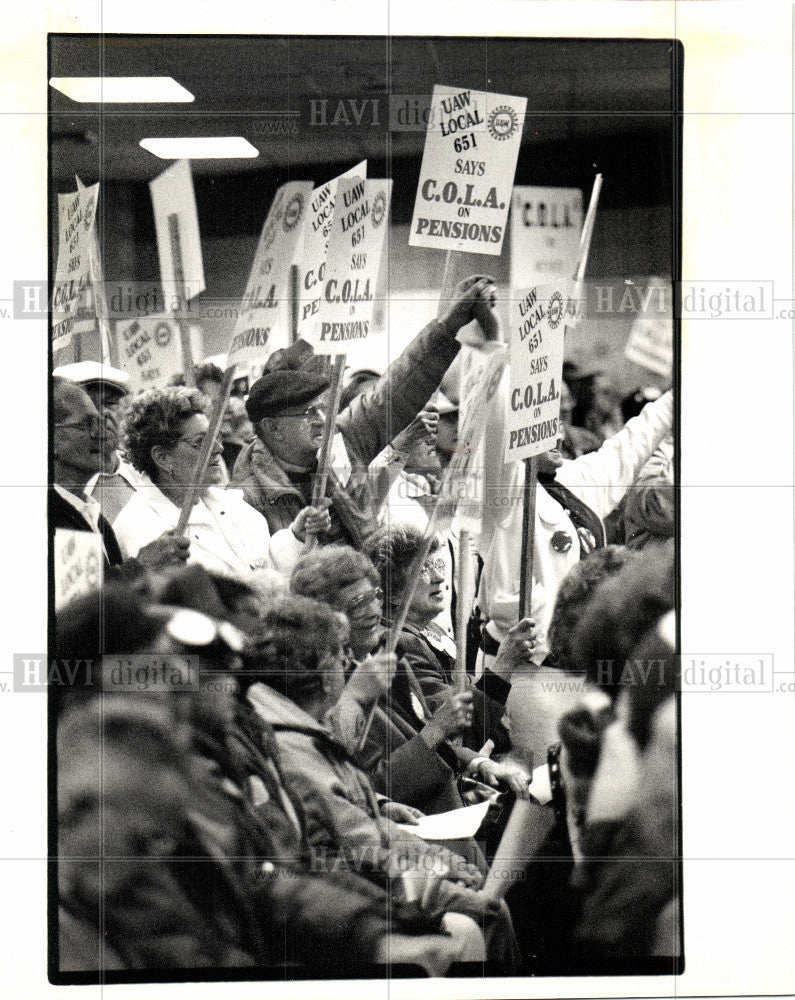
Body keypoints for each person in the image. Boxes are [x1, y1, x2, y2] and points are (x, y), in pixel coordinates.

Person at [242, 593, 519, 970]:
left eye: (377, 594)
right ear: (325, 672)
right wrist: (440, 881)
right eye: (340, 653)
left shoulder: (306, 725)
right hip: (360, 907)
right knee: (488, 914)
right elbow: (358, 847)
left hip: (393, 864)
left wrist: (433, 857)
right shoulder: (297, 745)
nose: (349, 662)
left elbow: (364, 817)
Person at [232, 275, 498, 549]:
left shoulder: (341, 442)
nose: (322, 420)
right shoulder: (244, 497)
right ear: (272, 427)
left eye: (323, 408)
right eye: (308, 412)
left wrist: (450, 323)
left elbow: (397, 389)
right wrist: (296, 540)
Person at [364, 523, 535, 786]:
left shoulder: (428, 631)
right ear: (393, 593)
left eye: (439, 566)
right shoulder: (399, 645)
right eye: (423, 569)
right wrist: (504, 664)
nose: (439, 579)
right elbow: (461, 730)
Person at [113, 386, 329, 580]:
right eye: (201, 442)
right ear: (162, 457)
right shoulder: (138, 527)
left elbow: (265, 568)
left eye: (215, 438)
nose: (219, 448)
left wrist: (296, 537)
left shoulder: (231, 503)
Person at [51, 377, 186, 569]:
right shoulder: (42, 519)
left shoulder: (94, 517)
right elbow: (82, 598)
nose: (102, 432)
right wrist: (141, 567)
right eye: (87, 424)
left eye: (101, 419)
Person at [53, 361, 143, 524]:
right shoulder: (64, 491)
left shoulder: (141, 479)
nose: (101, 414)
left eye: (110, 403)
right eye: (89, 405)